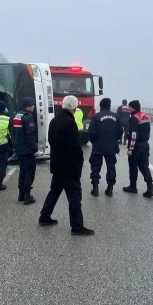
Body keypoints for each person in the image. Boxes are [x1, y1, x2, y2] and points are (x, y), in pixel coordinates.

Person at [39, 95, 94, 236]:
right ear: (75, 108)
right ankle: (77, 226)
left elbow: (51, 140)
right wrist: (80, 162)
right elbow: (75, 147)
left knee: (54, 191)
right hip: (70, 167)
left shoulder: (54, 121)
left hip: (57, 164)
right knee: (75, 196)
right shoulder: (71, 124)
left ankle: (44, 216)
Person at [88, 98, 123, 197]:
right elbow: (120, 130)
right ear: (109, 105)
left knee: (95, 166)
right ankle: (110, 188)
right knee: (111, 166)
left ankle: (95, 188)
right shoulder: (116, 116)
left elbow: (91, 131)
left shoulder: (96, 116)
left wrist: (93, 141)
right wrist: (116, 139)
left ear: (101, 105)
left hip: (98, 146)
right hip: (111, 146)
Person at [123, 100, 153, 198]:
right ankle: (150, 188)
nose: (128, 108)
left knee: (133, 167)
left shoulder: (134, 118)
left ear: (134, 107)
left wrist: (130, 149)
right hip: (145, 145)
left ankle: (133, 187)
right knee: (144, 167)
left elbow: (133, 135)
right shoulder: (145, 116)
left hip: (136, 147)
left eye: (129, 107)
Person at [13, 97, 38, 205]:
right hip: (27, 149)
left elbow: (14, 132)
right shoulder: (28, 118)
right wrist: (34, 148)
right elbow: (30, 135)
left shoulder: (17, 115)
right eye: (33, 105)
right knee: (29, 171)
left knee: (22, 171)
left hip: (19, 148)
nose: (34, 107)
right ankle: (27, 196)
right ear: (29, 106)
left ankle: (21, 194)